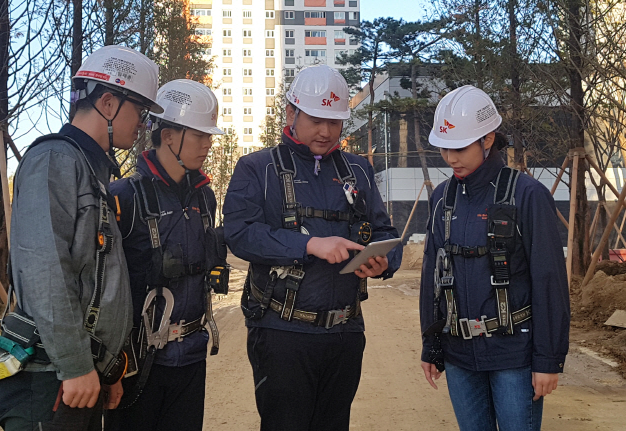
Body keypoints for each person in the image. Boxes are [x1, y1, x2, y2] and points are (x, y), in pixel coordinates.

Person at [223, 64, 402, 431]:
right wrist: (310, 244)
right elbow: (240, 233)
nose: (325, 131)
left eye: (334, 122)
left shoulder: (358, 171)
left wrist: (385, 261)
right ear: (291, 113)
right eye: (316, 119)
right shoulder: (258, 169)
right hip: (282, 335)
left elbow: (384, 229)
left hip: (345, 334)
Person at [0, 45, 162, 430]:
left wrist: (108, 368)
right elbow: (45, 270)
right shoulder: (56, 161)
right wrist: (74, 366)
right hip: (50, 381)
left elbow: (97, 284)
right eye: (141, 111)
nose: (144, 126)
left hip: (78, 377)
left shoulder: (90, 171)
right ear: (107, 102)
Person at [419, 85, 570, 431]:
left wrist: (547, 360)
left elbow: (549, 282)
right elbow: (434, 275)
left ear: (488, 140)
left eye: (459, 148)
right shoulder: (443, 198)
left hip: (513, 356)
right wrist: (432, 346)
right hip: (459, 356)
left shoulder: (527, 195)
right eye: (444, 148)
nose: (450, 158)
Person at [104, 79, 226, 431]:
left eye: (209, 135)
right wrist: (112, 366)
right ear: (168, 135)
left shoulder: (205, 198)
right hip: (137, 363)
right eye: (199, 135)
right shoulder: (124, 197)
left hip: (190, 357)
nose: (207, 144)